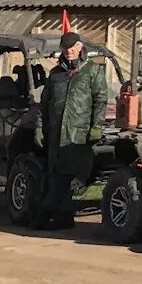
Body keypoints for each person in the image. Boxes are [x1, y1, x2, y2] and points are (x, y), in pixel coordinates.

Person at [32, 32, 107, 231]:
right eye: (66, 48)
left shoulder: (93, 71)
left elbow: (100, 100)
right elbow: (44, 103)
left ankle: (45, 216)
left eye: (73, 47)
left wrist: (96, 126)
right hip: (55, 134)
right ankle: (62, 219)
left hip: (78, 135)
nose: (69, 51)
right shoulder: (56, 74)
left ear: (80, 46)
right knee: (55, 174)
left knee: (68, 177)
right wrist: (40, 127)